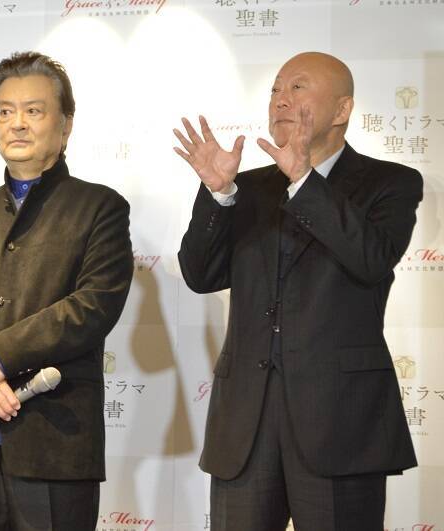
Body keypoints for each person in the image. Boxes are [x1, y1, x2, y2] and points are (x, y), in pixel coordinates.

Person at [174, 51, 420, 530]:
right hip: (245, 424)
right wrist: (219, 194)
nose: (280, 100)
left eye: (298, 87)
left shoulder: (391, 183)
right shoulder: (245, 187)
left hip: (341, 422)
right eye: (275, 90)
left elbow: (370, 258)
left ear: (342, 109)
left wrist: (304, 181)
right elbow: (201, 276)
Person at [0, 51, 133, 530]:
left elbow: (93, 305)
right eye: (5, 111)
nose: (17, 123)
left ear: (66, 125)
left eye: (33, 110)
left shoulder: (100, 208)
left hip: (55, 442)